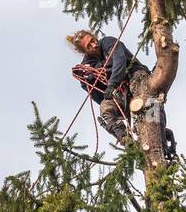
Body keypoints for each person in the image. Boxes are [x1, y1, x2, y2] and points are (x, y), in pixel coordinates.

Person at [67, 29, 175, 158]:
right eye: (89, 46)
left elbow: (120, 61)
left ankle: (163, 145)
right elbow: (101, 97)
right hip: (120, 93)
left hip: (135, 77)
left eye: (93, 41)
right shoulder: (88, 65)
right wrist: (88, 82)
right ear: (85, 52)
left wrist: (111, 83)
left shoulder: (108, 42)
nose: (94, 45)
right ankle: (126, 139)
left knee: (150, 105)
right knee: (105, 108)